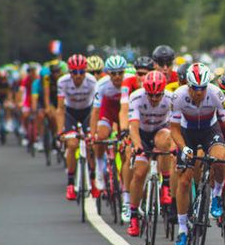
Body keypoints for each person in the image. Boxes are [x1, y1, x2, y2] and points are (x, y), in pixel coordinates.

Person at [170, 63, 225, 245]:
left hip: (210, 130)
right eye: (195, 88)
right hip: (187, 133)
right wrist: (184, 148)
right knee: (184, 181)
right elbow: (175, 129)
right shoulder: (178, 96)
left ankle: (217, 195)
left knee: (220, 159)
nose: (199, 93)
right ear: (188, 85)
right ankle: (183, 229)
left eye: (202, 88)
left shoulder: (216, 93)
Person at [127, 71, 175, 236]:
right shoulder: (136, 97)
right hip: (142, 134)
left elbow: (175, 126)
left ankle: (166, 184)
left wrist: (175, 146)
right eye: (151, 95)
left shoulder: (171, 98)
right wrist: (138, 146)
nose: (154, 99)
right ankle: (133, 215)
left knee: (167, 142)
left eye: (158, 95)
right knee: (139, 174)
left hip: (160, 132)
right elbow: (133, 127)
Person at [118, 56, 155, 222]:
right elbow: (124, 110)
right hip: (135, 123)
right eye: (139, 74)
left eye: (146, 74)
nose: (142, 78)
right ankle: (127, 199)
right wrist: (124, 131)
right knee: (128, 152)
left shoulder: (158, 84)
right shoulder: (128, 84)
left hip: (154, 125)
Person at [56, 55, 97, 200]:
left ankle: (93, 179)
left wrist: (93, 130)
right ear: (69, 72)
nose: (78, 76)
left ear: (85, 72)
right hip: (70, 113)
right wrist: (60, 130)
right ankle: (70, 183)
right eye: (74, 72)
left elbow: (95, 108)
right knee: (72, 145)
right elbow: (60, 109)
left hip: (87, 112)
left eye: (81, 72)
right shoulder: (63, 82)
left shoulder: (92, 81)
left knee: (92, 144)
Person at [91, 55, 130, 192]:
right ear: (108, 73)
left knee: (126, 146)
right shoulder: (101, 84)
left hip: (124, 113)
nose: (117, 76)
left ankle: (124, 183)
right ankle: (99, 166)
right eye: (113, 73)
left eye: (120, 73)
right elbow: (95, 111)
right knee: (101, 136)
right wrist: (92, 134)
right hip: (108, 111)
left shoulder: (129, 82)